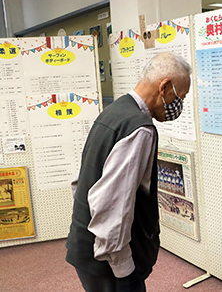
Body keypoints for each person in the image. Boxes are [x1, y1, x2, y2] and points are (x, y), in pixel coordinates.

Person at [66, 52, 191, 292]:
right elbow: (114, 204)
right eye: (180, 97)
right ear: (164, 87)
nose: (179, 105)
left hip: (87, 244)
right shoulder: (139, 129)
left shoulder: (115, 111)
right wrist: (123, 269)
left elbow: (81, 180)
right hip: (107, 261)